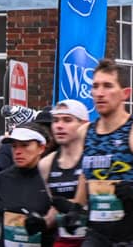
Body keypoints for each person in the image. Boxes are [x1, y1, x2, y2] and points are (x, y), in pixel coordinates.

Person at [82, 59, 133, 247]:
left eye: (107, 86)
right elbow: (82, 189)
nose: (100, 93)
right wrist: (74, 211)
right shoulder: (85, 132)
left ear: (125, 94)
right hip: (97, 236)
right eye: (95, 86)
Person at [0, 123, 77, 247]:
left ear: (41, 148)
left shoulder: (52, 179)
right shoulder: (1, 179)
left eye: (25, 145)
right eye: (14, 146)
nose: (18, 151)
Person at [40, 100, 91, 247]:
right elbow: (54, 211)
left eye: (67, 120)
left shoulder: (92, 158)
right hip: (65, 241)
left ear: (84, 124)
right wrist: (41, 222)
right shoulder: (46, 164)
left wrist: (73, 208)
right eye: (55, 120)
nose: (59, 126)